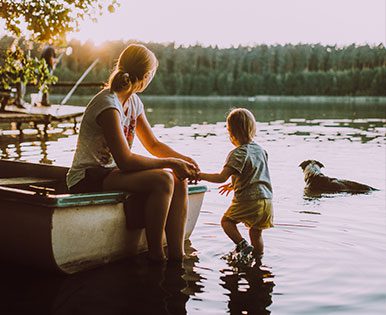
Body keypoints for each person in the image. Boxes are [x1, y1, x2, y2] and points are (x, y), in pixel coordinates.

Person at [66, 43, 198, 262]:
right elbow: (126, 160)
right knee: (164, 179)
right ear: (145, 76)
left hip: (112, 174)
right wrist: (170, 163)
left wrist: (183, 161)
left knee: (178, 178)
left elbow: (153, 144)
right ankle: (156, 255)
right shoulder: (108, 104)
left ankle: (177, 256)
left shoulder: (134, 102)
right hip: (87, 177)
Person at [198, 108, 273, 259]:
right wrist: (233, 185)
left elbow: (221, 177)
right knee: (256, 232)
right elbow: (254, 174)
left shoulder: (238, 153)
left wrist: (199, 175)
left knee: (227, 222)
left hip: (249, 200)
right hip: (267, 201)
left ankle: (242, 244)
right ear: (253, 128)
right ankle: (258, 260)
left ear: (231, 132)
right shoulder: (261, 150)